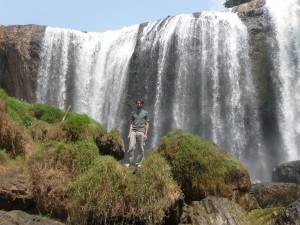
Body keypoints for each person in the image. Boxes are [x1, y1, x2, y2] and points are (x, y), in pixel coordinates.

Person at [124, 98, 149, 168]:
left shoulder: (145, 113)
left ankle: (138, 163)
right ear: (136, 104)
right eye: (138, 103)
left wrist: (146, 134)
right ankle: (129, 162)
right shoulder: (133, 113)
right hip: (133, 131)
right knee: (131, 147)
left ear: (142, 104)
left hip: (141, 132)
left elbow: (147, 124)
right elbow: (131, 124)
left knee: (141, 148)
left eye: (140, 103)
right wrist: (129, 133)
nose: (139, 104)